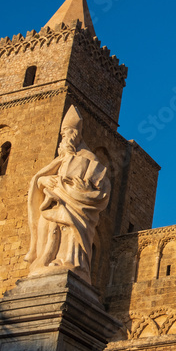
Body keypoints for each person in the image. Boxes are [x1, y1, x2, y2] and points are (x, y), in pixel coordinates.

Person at [24, 106, 110, 282]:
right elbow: (39, 179)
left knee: (71, 233)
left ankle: (69, 263)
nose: (65, 137)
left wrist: (81, 190)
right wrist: (44, 181)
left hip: (76, 209)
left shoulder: (89, 158)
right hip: (52, 204)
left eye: (68, 133)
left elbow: (100, 186)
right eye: (63, 134)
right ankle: (44, 261)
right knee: (46, 228)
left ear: (77, 135)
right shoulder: (61, 158)